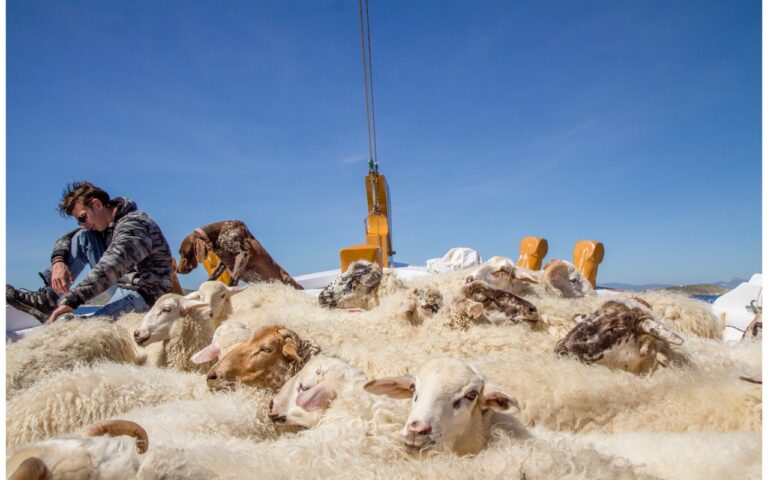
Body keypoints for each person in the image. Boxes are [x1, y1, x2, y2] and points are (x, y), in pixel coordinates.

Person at [6, 181, 174, 324]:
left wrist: (73, 300)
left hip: (145, 295)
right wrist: (58, 261)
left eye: (83, 217)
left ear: (96, 204)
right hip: (118, 285)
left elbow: (112, 264)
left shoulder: (135, 225)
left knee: (84, 333)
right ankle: (48, 300)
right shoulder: (101, 228)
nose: (82, 224)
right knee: (83, 237)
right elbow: (68, 238)